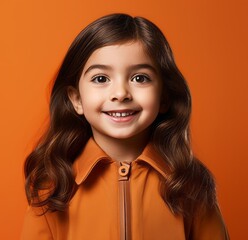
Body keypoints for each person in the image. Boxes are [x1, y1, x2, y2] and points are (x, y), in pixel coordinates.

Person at [21, 13, 229, 240]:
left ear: (164, 97)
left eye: (140, 78)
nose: (120, 93)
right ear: (76, 99)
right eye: (101, 79)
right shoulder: (53, 188)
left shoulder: (189, 186)